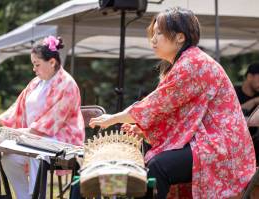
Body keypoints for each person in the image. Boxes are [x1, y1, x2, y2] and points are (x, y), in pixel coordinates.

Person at [89, 7, 256, 199]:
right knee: (156, 164)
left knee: (158, 166)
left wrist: (112, 119)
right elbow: (175, 114)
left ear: (180, 37)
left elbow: (155, 105)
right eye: (154, 33)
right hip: (210, 141)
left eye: (159, 33)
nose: (153, 39)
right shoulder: (186, 62)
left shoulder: (193, 63)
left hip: (223, 148)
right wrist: (144, 130)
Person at [0, 36, 85, 199]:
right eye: (33, 65)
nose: (34, 69)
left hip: (61, 141)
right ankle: (25, 196)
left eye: (37, 64)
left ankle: (37, 196)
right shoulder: (36, 83)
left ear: (52, 62)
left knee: (36, 149)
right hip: (34, 136)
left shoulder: (67, 84)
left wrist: (25, 133)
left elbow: (52, 121)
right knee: (9, 159)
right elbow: (17, 107)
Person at [235, 62, 259, 162]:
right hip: (238, 142)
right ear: (249, 77)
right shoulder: (234, 92)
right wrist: (254, 101)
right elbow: (233, 112)